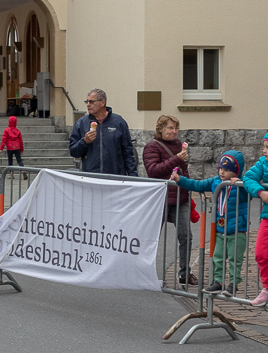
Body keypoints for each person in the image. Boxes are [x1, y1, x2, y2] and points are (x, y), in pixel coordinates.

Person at [171, 151, 247, 296]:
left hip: (237, 229)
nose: (222, 172)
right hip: (220, 228)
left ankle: (233, 284)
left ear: (236, 171)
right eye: (220, 168)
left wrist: (239, 184)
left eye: (227, 170)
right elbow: (197, 184)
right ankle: (218, 282)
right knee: (217, 256)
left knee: (234, 258)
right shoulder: (215, 181)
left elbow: (248, 196)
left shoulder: (242, 185)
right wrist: (180, 179)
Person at [142, 115, 195, 285]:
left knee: (186, 236)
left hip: (180, 197)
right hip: (160, 199)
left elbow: (182, 170)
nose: (174, 132)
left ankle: (185, 273)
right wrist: (177, 158)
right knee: (152, 238)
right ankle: (144, 272)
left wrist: (187, 185)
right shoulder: (151, 147)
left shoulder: (179, 145)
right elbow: (153, 170)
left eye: (176, 128)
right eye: (170, 128)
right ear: (161, 129)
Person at [68, 88, 137, 176]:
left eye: (92, 102)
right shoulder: (81, 123)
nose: (88, 105)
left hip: (115, 177)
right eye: (87, 102)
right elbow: (74, 152)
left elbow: (128, 153)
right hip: (91, 178)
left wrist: (134, 178)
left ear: (102, 102)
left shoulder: (118, 122)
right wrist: (84, 142)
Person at [243, 132, 268, 307]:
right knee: (261, 253)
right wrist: (260, 192)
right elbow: (248, 178)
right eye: (264, 147)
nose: (264, 151)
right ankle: (267, 289)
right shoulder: (263, 163)